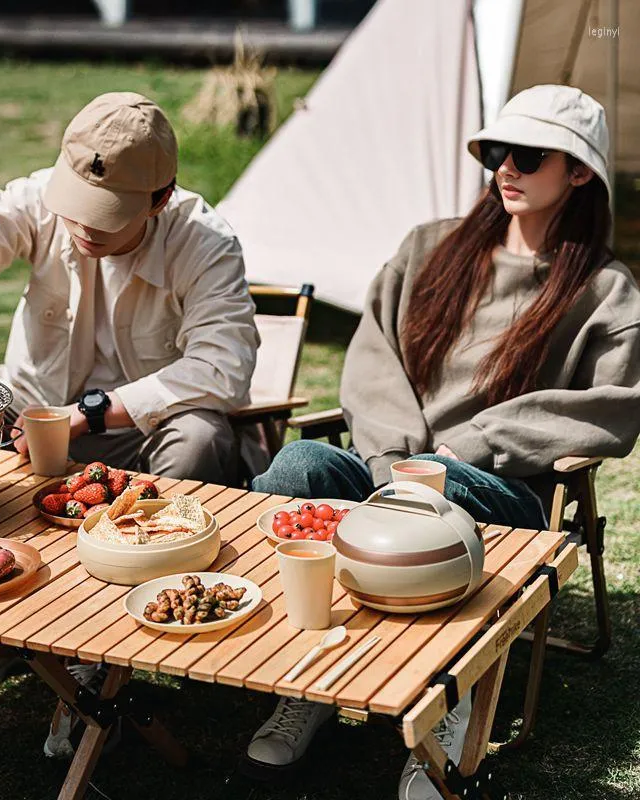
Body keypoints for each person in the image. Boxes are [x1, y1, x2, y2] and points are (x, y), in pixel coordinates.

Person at [245, 85, 640, 798]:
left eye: (528, 154)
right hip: (390, 472)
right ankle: (306, 680)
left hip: (497, 497)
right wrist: (394, 462)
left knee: (438, 480)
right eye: (495, 152)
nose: (504, 169)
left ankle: (449, 700)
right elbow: (372, 360)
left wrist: (476, 442)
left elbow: (615, 406)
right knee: (297, 463)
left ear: (580, 172)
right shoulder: (431, 246)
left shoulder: (605, 290)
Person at [0, 92, 260, 755]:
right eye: (76, 208)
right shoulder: (41, 202)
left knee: (202, 437)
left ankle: (98, 659)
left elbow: (224, 367)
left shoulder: (204, 240)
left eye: (105, 219)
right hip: (31, 414)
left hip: (143, 432)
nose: (83, 228)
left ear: (160, 198)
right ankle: (9, 630)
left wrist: (87, 417)